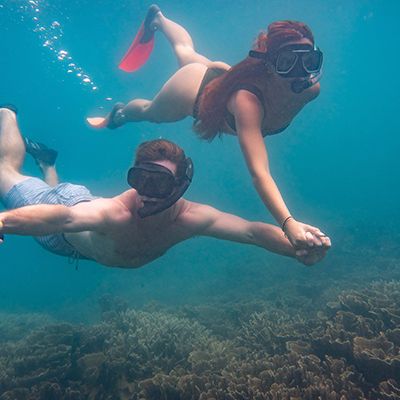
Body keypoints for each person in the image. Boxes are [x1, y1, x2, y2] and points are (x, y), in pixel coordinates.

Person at [87, 5, 326, 252]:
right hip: (192, 90)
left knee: (187, 52)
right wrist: (288, 223)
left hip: (221, 79)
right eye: (287, 62)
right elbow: (259, 172)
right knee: (151, 112)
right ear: (269, 65)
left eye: (308, 61)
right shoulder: (248, 103)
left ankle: (158, 19)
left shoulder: (310, 92)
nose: (300, 73)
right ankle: (121, 114)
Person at [0, 106, 330, 268]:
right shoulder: (114, 213)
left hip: (78, 232)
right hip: (60, 223)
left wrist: (296, 246)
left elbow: (251, 232)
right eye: (140, 179)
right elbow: (62, 218)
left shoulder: (191, 219)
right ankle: (8, 115)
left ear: (180, 187)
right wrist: (3, 221)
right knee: (6, 174)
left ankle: (47, 163)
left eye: (158, 183)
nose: (145, 192)